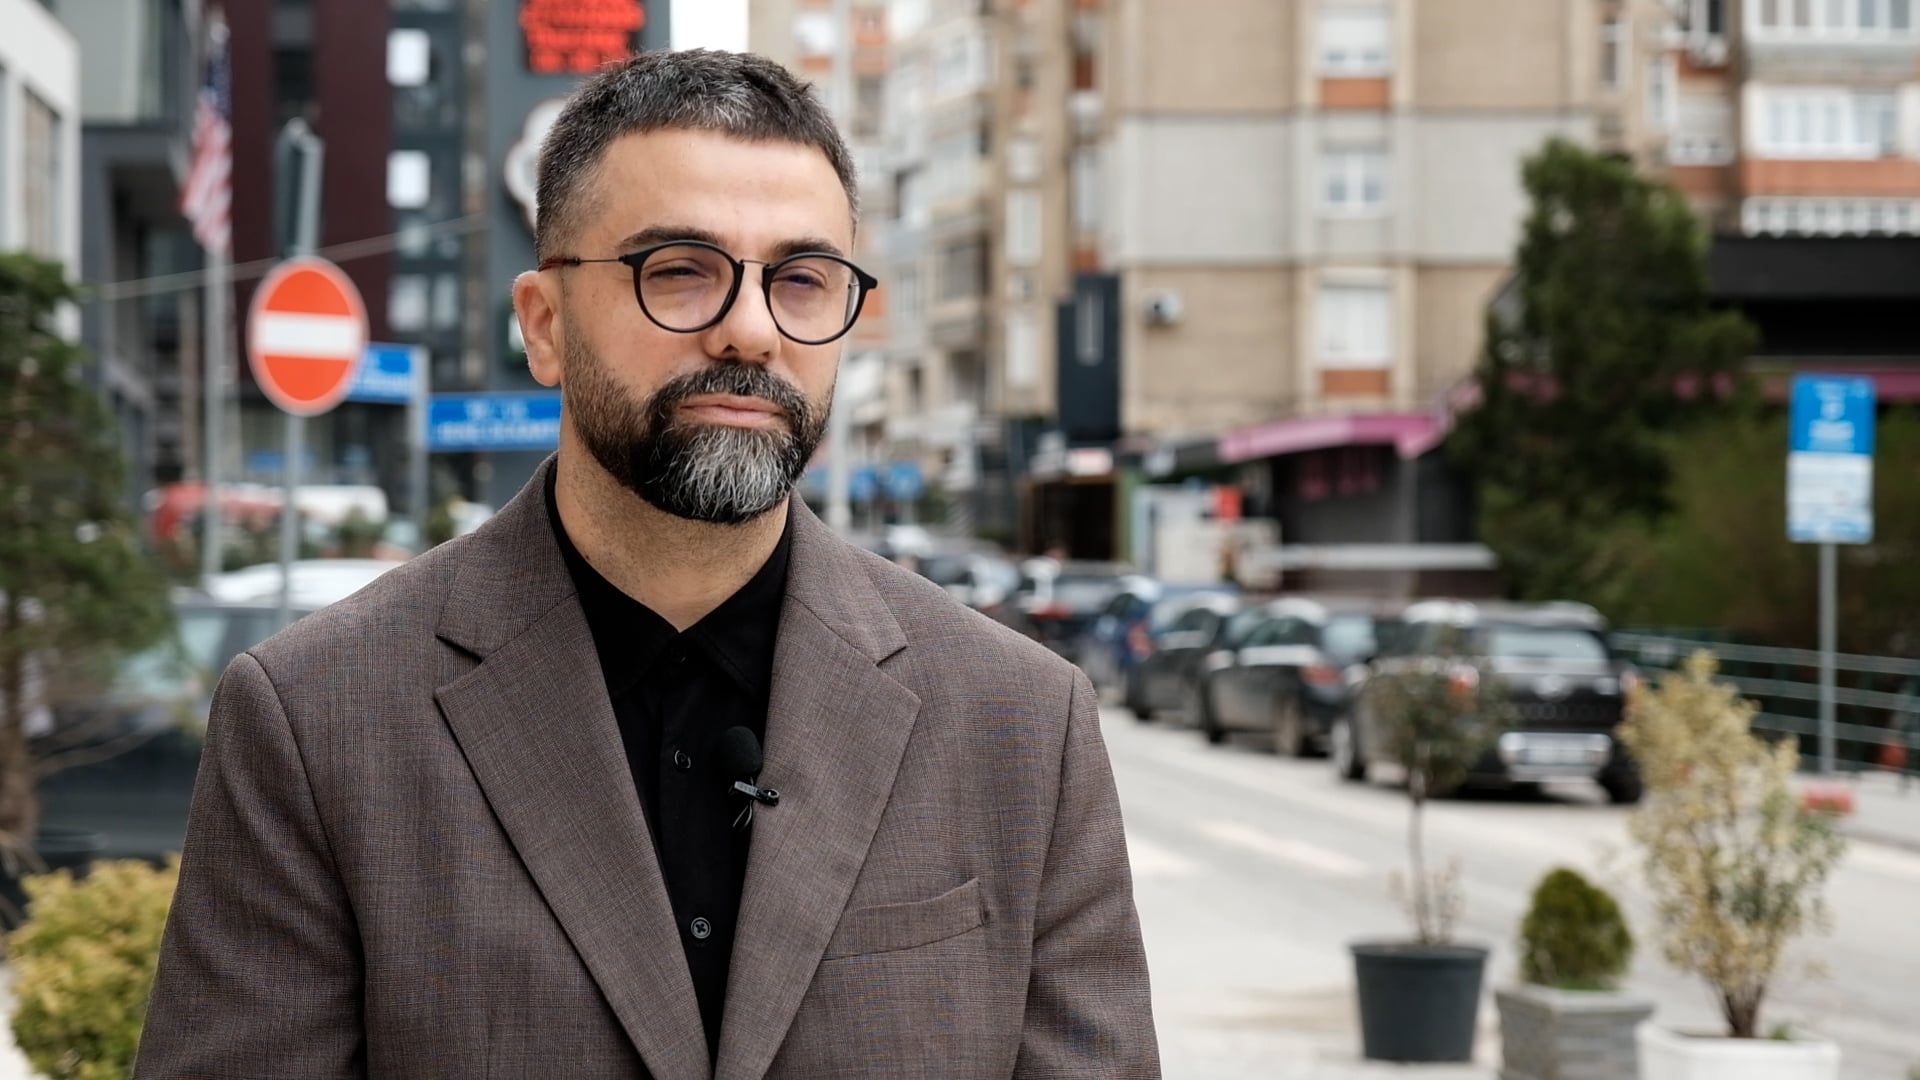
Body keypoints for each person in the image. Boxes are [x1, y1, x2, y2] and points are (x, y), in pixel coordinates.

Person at [136, 50, 1158, 1079]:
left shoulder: (1024, 724)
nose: (749, 330)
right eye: (679, 270)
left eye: (803, 281)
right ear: (544, 325)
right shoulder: (316, 719)